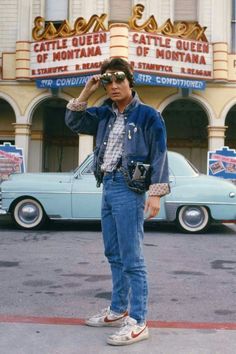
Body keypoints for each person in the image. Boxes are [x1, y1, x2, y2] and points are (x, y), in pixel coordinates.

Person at [65, 58, 170, 346]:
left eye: (119, 79)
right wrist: (87, 91)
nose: (113, 86)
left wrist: (157, 193)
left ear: (130, 79)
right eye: (107, 81)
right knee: (113, 253)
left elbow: (160, 154)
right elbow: (73, 121)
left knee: (132, 258)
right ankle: (117, 309)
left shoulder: (149, 115)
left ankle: (138, 321)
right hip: (108, 185)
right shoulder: (104, 115)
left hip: (129, 189)